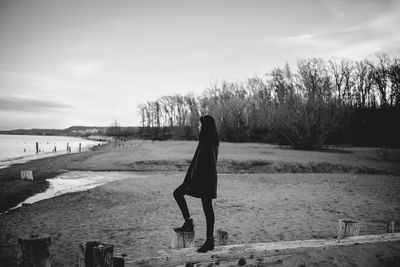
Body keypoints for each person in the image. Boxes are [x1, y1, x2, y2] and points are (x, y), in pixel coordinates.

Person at [173, 115, 219, 253]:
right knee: (179, 194)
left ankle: (209, 240)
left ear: (205, 126)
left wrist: (191, 183)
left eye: (200, 125)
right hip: (201, 179)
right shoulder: (208, 141)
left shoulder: (208, 142)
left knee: (207, 207)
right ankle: (189, 223)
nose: (199, 127)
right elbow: (197, 164)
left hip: (204, 180)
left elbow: (206, 165)